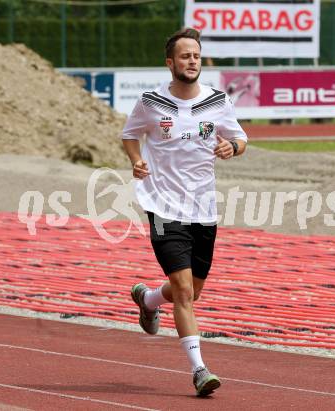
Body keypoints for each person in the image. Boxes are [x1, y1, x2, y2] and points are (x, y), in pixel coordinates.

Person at [121, 27, 247, 397]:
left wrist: (233, 149)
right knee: (184, 291)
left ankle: (147, 300)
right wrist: (136, 160)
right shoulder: (150, 102)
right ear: (170, 63)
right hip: (162, 205)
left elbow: (240, 138)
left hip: (203, 209)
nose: (192, 61)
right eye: (185, 55)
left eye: (196, 55)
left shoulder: (217, 101)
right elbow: (130, 134)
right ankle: (199, 370)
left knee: (191, 291)